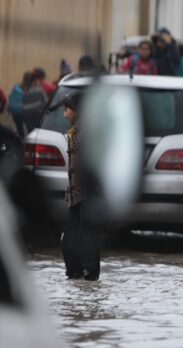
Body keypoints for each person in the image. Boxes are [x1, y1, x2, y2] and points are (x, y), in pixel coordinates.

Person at [59, 92, 100, 281]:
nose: (64, 114)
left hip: (87, 196)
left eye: (67, 109)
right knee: (69, 240)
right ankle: (75, 274)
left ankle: (89, 275)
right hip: (76, 196)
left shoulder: (86, 134)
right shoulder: (76, 132)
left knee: (86, 239)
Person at [6, 73, 28, 137]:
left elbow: (10, 97)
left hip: (15, 111)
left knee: (20, 129)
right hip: (25, 111)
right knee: (30, 128)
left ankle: (21, 140)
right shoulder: (29, 89)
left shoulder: (16, 87)